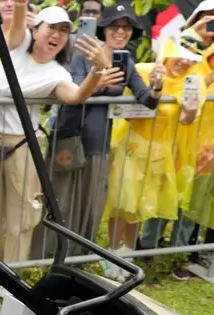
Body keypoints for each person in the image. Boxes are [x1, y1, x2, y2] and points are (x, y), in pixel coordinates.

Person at [0, 2, 109, 263]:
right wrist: (21, 6)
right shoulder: (15, 46)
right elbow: (16, 23)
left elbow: (77, 96)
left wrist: (98, 70)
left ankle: (11, 278)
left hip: (22, 147)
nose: (57, 35)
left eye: (63, 31)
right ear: (35, 31)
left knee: (21, 216)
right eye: (52, 28)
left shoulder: (57, 73)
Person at [31, 3, 163, 262]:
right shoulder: (82, 54)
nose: (120, 32)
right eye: (115, 25)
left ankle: (79, 259)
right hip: (70, 137)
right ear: (104, 28)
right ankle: (43, 257)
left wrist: (157, 86)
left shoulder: (124, 60)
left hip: (100, 142)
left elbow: (146, 98)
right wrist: (100, 80)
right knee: (60, 200)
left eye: (126, 28)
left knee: (91, 203)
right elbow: (75, 91)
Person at [105, 39, 206, 281]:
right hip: (132, 144)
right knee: (123, 201)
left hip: (161, 152)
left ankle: (127, 253)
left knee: (140, 204)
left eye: (192, 58)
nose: (185, 62)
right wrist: (152, 89)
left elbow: (185, 120)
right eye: (182, 55)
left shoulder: (192, 82)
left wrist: (191, 110)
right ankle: (109, 253)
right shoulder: (143, 70)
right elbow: (122, 110)